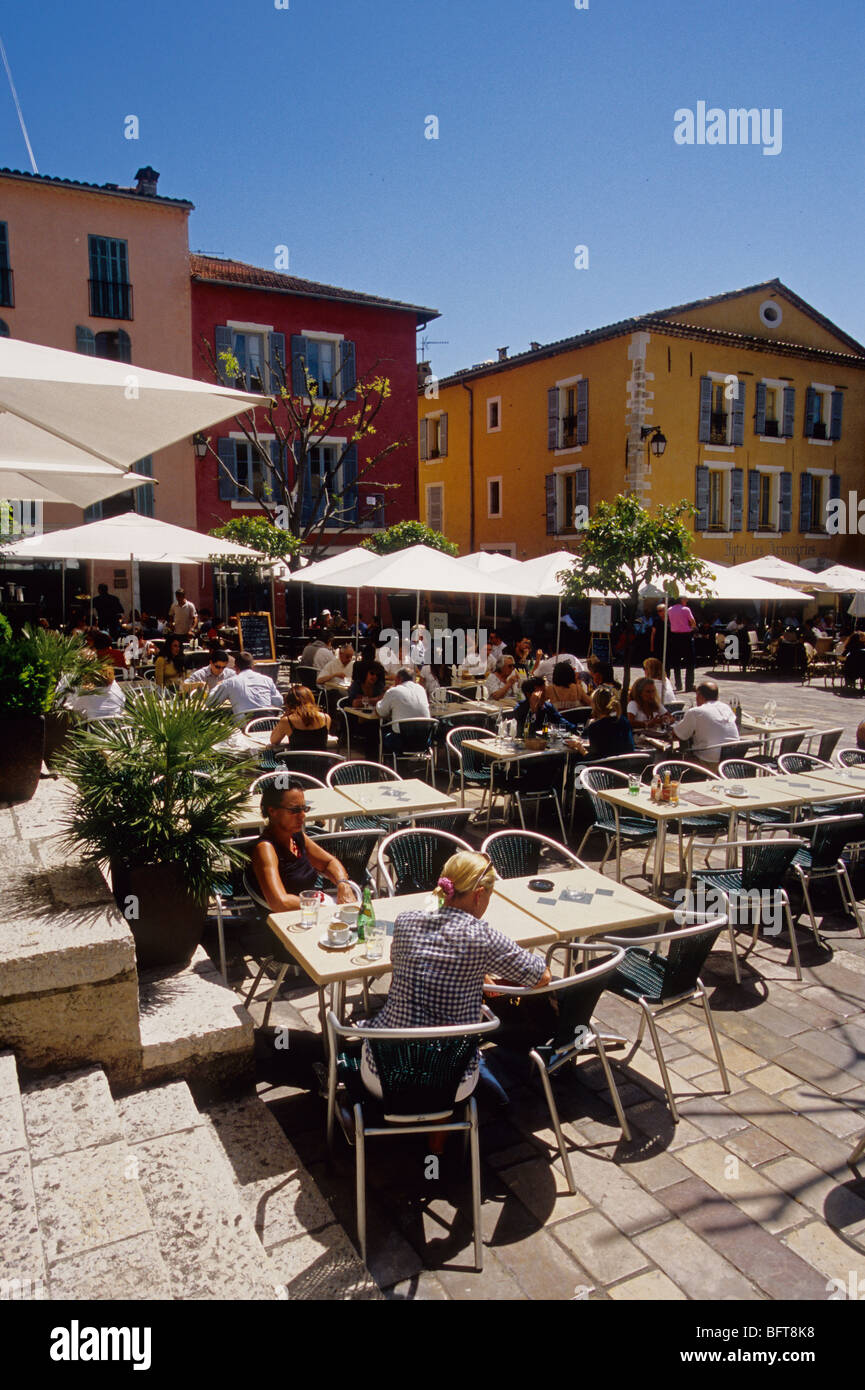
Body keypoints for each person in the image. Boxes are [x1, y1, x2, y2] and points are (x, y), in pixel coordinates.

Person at [360, 851, 550, 1101]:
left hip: (382, 1074)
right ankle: (440, 1128)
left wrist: (477, 972)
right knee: (449, 1063)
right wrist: (484, 971)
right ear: (479, 894)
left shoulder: (405, 922)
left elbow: (405, 970)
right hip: (451, 1081)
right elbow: (542, 976)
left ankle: (403, 1117)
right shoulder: (482, 936)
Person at [250, 783, 355, 911]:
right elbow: (280, 902)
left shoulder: (296, 836)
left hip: (311, 909)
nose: (303, 815)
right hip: (289, 921)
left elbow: (329, 862)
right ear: (272, 811)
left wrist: (343, 884)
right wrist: (323, 909)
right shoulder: (265, 848)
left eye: (304, 809)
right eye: (294, 810)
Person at [672, 678, 739, 767]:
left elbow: (679, 735)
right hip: (733, 759)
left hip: (709, 761)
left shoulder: (695, 712)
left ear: (699, 695)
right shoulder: (726, 707)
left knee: (671, 758)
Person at [209, 650, 282, 717]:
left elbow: (210, 702)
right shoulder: (267, 680)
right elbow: (279, 702)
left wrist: (218, 685)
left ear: (235, 667)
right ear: (253, 666)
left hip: (245, 726)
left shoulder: (230, 682)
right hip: (268, 723)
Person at [376, 668, 431, 753]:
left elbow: (381, 712)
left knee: (379, 732)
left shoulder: (394, 691)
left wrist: (381, 698)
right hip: (424, 739)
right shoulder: (421, 689)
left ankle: (381, 762)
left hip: (401, 740)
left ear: (398, 679)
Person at [578, 686, 635, 759]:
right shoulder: (624, 721)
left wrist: (579, 747)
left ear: (595, 705)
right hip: (627, 765)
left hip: (604, 768)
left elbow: (593, 758)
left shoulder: (595, 727)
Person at [668, 597, 697, 692]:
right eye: (685, 600)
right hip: (685, 636)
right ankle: (689, 685)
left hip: (675, 636)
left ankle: (678, 684)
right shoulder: (686, 609)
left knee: (676, 662)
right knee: (690, 662)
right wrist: (692, 628)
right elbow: (693, 622)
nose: (687, 601)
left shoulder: (670, 609)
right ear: (681, 600)